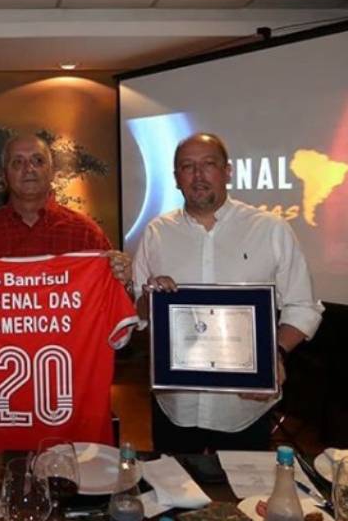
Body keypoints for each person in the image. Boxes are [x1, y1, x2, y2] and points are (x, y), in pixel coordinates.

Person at [133, 132, 323, 452]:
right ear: (176, 178)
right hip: (176, 404)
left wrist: (275, 355)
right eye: (187, 167)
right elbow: (136, 311)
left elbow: (303, 306)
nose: (198, 175)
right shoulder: (157, 232)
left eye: (208, 164)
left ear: (228, 171)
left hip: (244, 407)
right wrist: (149, 301)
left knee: (244, 499)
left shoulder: (270, 229)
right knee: (175, 496)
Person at [0, 134, 132, 284]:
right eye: (18, 162)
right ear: (4, 176)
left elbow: (114, 305)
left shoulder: (87, 234)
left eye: (38, 161)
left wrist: (122, 279)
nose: (29, 169)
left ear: (52, 171)